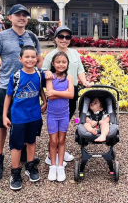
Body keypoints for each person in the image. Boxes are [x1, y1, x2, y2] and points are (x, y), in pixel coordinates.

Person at [0, 4, 43, 183]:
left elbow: (39, 61)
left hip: (27, 91)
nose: (21, 17)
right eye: (17, 14)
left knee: (25, 123)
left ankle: (25, 157)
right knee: (1, 125)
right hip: (5, 88)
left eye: (24, 15)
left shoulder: (32, 36)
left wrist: (39, 80)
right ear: (9, 17)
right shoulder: (1, 37)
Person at [42, 25, 93, 166]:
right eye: (61, 36)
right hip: (55, 93)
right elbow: (44, 71)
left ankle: (59, 151)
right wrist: (46, 73)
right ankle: (51, 154)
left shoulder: (74, 53)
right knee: (55, 125)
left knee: (64, 122)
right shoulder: (50, 55)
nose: (64, 39)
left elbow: (80, 70)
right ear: (56, 38)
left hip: (72, 91)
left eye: (67, 37)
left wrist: (85, 82)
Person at [2, 46, 47, 190]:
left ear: (37, 59)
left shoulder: (39, 74)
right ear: (20, 59)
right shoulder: (16, 76)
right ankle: (15, 173)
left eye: (33, 57)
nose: (30, 59)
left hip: (34, 115)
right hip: (18, 117)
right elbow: (8, 96)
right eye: (27, 57)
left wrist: (45, 101)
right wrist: (4, 116)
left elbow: (40, 89)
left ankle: (30, 166)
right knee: (16, 145)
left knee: (31, 141)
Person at [45, 52, 74, 182]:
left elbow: (71, 95)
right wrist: (64, 93)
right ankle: (53, 166)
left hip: (64, 115)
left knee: (62, 140)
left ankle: (60, 166)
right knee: (53, 141)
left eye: (63, 62)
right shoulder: (50, 77)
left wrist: (55, 92)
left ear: (67, 64)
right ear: (53, 64)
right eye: (58, 62)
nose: (61, 64)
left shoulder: (69, 78)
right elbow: (49, 97)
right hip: (52, 114)